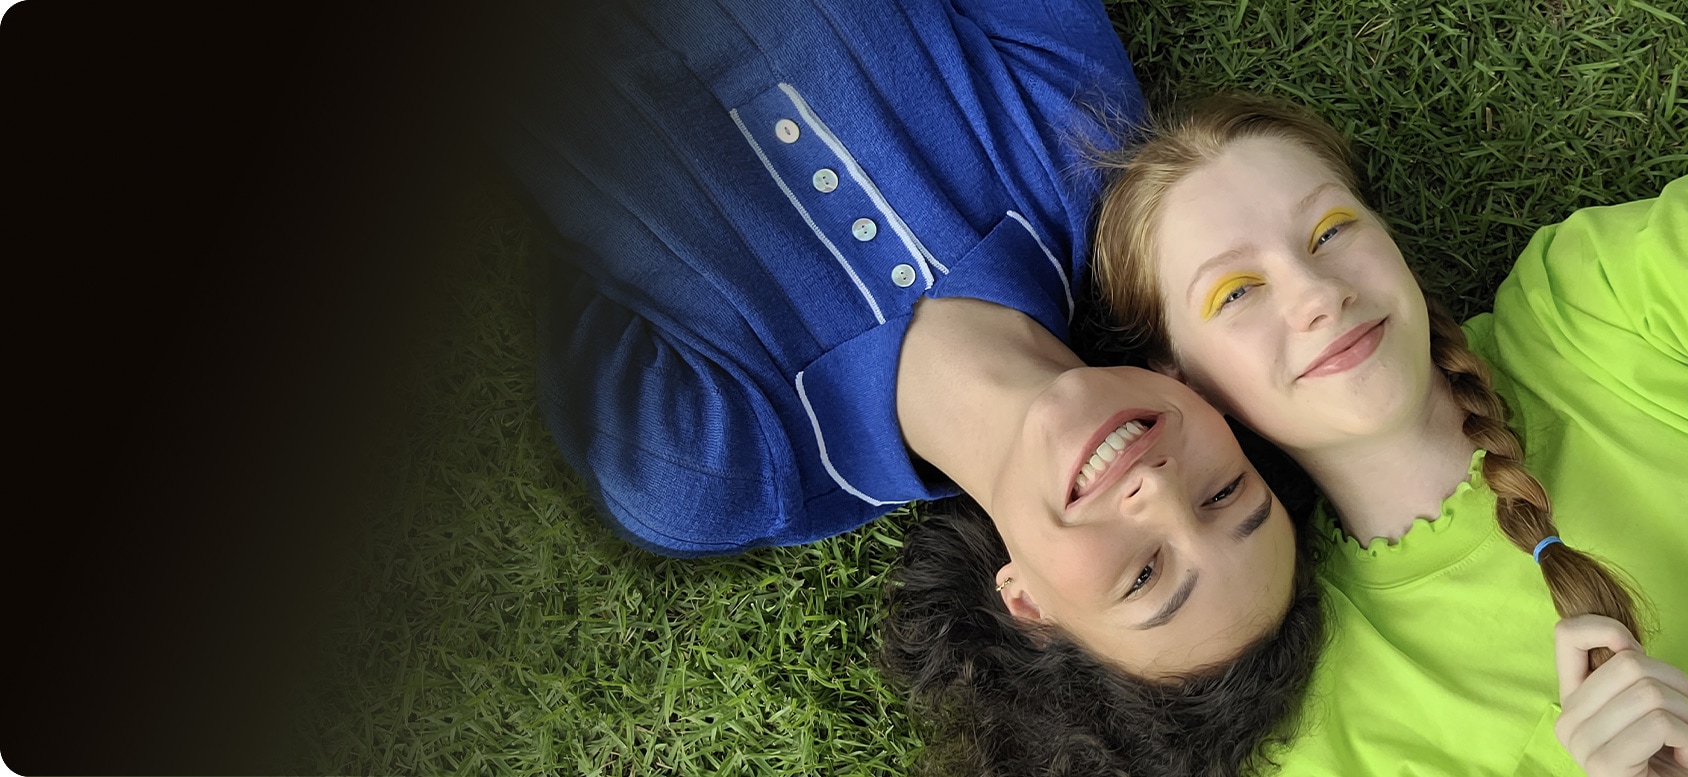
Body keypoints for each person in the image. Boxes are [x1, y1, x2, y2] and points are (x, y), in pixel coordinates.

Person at [501, 4, 1334, 773]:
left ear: (1028, 604)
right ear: (1206, 398)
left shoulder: (704, 469)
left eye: (1144, 576)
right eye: (1225, 491)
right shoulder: (1081, 134)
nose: (1159, 491)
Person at [1086, 92, 1688, 776]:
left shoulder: (1593, 299)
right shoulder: (1314, 730)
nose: (1318, 293)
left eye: (1330, 230)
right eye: (1236, 291)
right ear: (1178, 382)